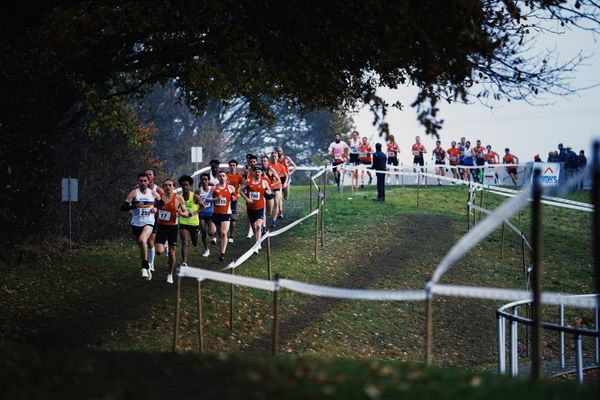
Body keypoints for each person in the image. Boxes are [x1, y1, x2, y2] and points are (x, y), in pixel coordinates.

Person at [122, 173, 160, 280]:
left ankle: (144, 267)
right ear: (138, 182)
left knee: (143, 240)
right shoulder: (134, 193)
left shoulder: (152, 193)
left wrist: (156, 208)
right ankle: (147, 266)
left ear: (148, 182)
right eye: (141, 181)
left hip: (149, 222)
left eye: (145, 181)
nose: (143, 183)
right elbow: (123, 207)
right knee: (141, 245)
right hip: (136, 224)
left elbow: (161, 203)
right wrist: (135, 206)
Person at [155, 179, 190, 284]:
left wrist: (181, 213)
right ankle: (164, 246)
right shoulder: (159, 197)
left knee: (172, 253)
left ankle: (170, 275)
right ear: (163, 187)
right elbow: (154, 207)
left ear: (173, 187)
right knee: (158, 251)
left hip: (173, 228)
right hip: (161, 227)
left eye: (170, 185)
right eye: (165, 185)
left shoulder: (178, 198)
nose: (168, 187)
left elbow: (186, 213)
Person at [239, 167, 272, 252]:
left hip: (260, 207)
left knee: (258, 226)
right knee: (254, 227)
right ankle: (258, 240)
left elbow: (269, 190)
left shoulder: (264, 182)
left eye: (259, 172)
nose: (257, 173)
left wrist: (268, 192)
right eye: (256, 172)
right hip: (250, 208)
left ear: (261, 173)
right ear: (253, 173)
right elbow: (241, 191)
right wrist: (247, 199)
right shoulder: (248, 181)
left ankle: (257, 245)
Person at [178, 175, 206, 266]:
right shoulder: (179, 197)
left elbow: (203, 207)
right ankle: (184, 262)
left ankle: (195, 238)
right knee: (185, 242)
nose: (185, 187)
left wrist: (194, 213)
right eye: (183, 185)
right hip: (183, 223)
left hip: (194, 223)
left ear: (190, 186)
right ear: (181, 186)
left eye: (187, 185)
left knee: (194, 242)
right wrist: (179, 212)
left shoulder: (195, 196)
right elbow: (176, 208)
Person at [210, 171, 237, 261]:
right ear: (218, 178)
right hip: (216, 214)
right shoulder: (214, 188)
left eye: (223, 176)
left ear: (226, 178)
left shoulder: (231, 188)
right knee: (219, 233)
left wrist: (234, 198)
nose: (222, 177)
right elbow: (206, 199)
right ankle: (220, 244)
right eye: (220, 176)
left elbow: (236, 196)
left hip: (226, 214)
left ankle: (222, 253)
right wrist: (215, 199)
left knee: (224, 233)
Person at [143, 168, 164, 272]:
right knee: (142, 242)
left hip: (154, 218)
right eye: (146, 175)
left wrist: (157, 208)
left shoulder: (158, 190)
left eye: (150, 174)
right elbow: (131, 199)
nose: (148, 176)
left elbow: (165, 202)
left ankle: (151, 264)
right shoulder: (138, 188)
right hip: (141, 218)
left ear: (153, 177)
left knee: (151, 242)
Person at [197, 173, 215, 257]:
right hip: (202, 214)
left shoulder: (212, 189)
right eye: (202, 180)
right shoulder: (198, 190)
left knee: (211, 232)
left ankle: (214, 236)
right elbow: (194, 200)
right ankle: (206, 249)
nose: (204, 181)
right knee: (203, 233)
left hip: (211, 214)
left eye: (206, 179)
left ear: (208, 180)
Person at [226, 159, 244, 243]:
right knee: (224, 216)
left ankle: (231, 236)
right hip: (225, 199)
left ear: (236, 166)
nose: (232, 167)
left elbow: (243, 187)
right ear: (229, 166)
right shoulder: (225, 176)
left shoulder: (239, 177)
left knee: (232, 217)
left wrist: (238, 195)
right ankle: (223, 234)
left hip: (233, 199)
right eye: (231, 165)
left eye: (234, 165)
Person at [264, 154, 284, 228]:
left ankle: (274, 220)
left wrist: (271, 185)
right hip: (268, 188)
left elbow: (279, 180)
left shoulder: (273, 168)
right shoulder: (265, 166)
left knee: (276, 202)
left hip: (276, 187)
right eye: (272, 156)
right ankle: (266, 216)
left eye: (275, 156)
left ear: (277, 157)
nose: (274, 158)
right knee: (269, 210)